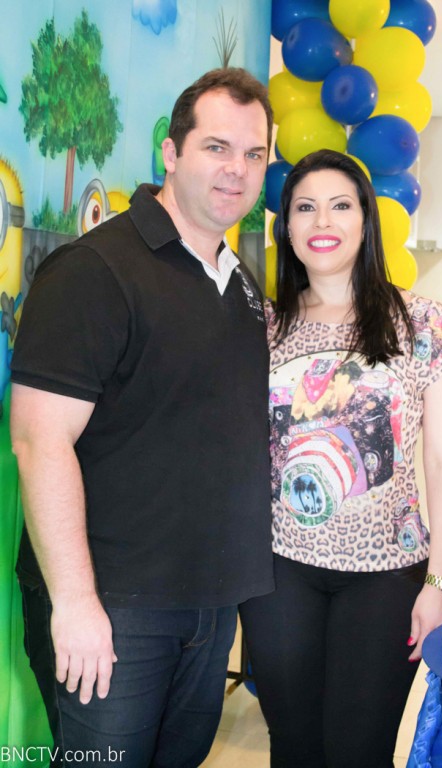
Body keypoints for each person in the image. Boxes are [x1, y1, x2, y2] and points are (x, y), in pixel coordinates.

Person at [10, 67, 274, 768]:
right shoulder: (94, 270)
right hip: (113, 607)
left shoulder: (240, 284)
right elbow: (39, 440)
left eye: (254, 154)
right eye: (217, 147)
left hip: (209, 606)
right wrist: (75, 604)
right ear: (171, 152)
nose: (237, 169)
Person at [239, 149, 442, 768]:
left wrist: (439, 584)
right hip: (279, 572)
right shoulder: (264, 326)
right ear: (286, 227)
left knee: (358, 750)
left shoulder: (420, 321)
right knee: (293, 745)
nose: (323, 221)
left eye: (341, 206)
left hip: (388, 576)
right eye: (305, 207)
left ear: (366, 221)